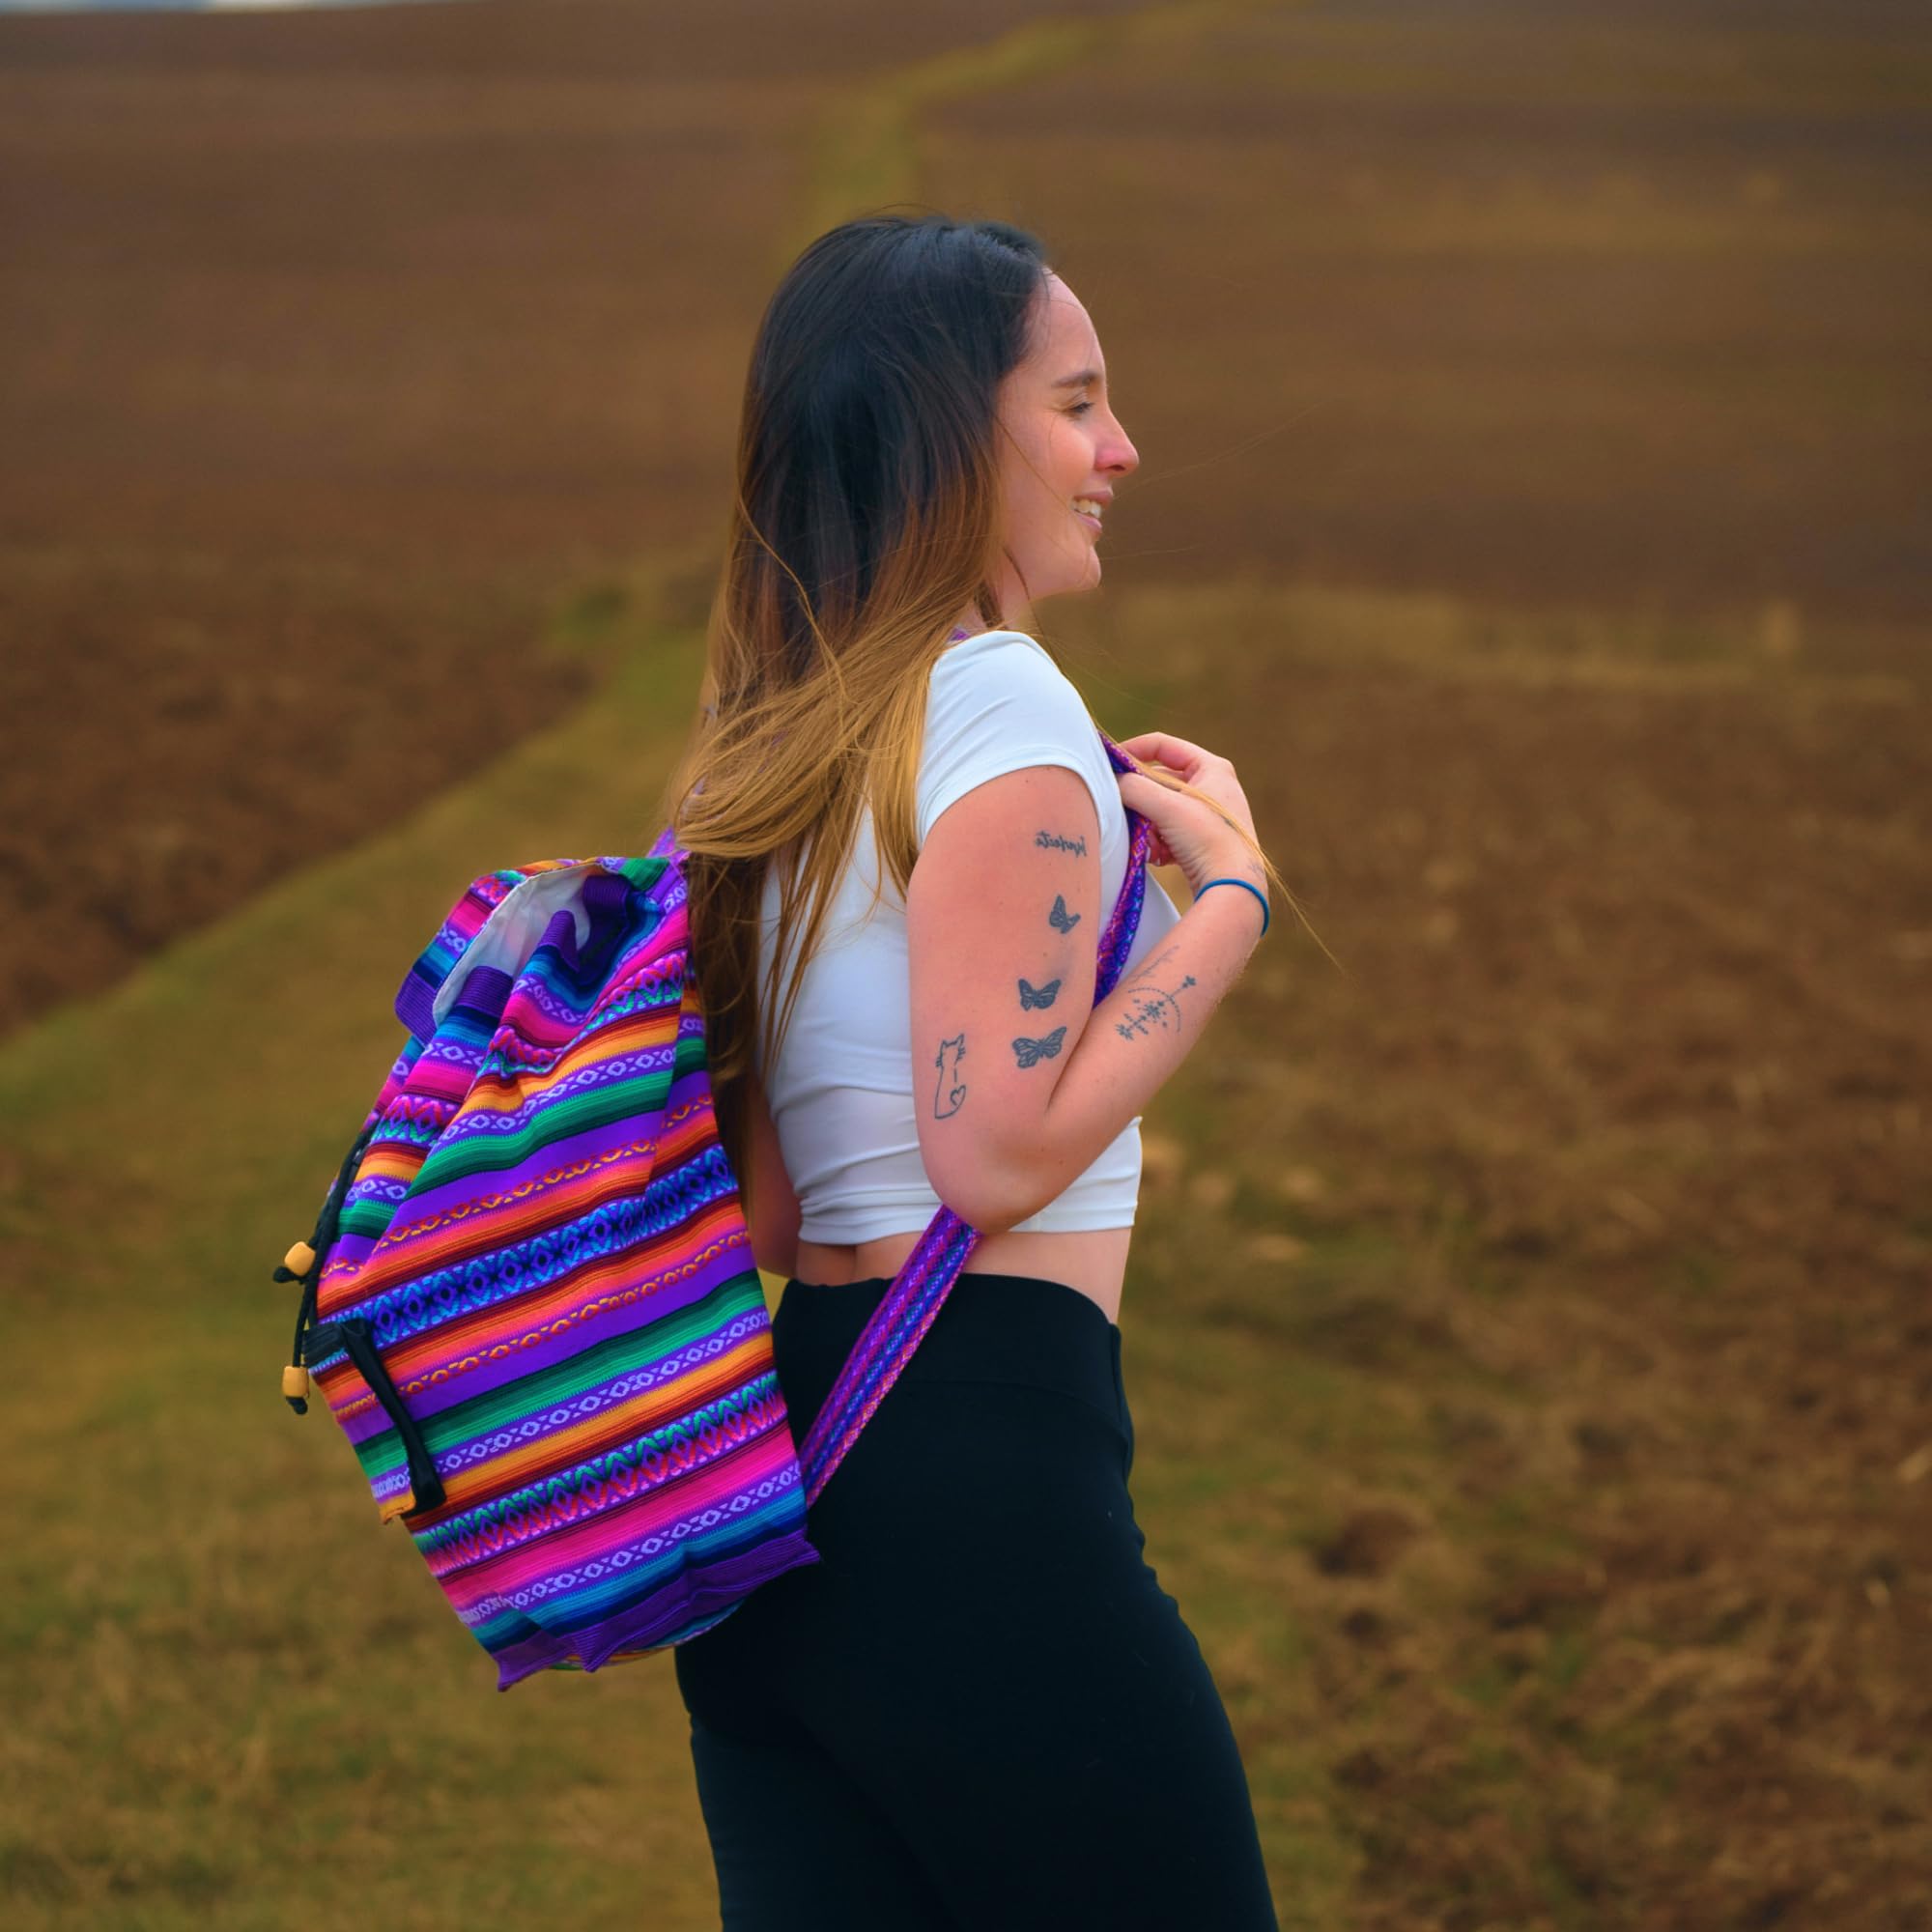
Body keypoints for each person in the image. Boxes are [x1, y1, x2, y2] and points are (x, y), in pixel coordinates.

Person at [659, 212, 1286, 1931]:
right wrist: (1224, 902)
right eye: (1078, 404)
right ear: (955, 432)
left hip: (767, 1500)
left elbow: (772, 1213)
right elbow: (994, 1160)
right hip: (978, 1484)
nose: (1120, 450)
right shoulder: (1003, 705)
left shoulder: (774, 743)